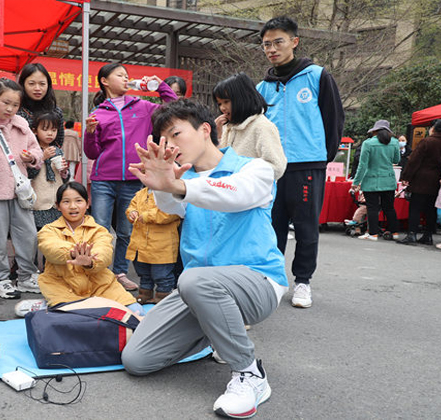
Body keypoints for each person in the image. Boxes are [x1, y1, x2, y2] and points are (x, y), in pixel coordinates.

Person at [122, 100, 288, 419]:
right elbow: (171, 205)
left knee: (194, 279)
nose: (170, 145)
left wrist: (179, 185)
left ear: (205, 129)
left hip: (258, 284)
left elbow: (233, 194)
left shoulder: (255, 169)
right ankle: (216, 334)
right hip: (199, 290)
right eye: (163, 140)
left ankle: (250, 375)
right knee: (137, 360)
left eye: (176, 134)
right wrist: (164, 184)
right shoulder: (186, 183)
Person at [256, 16, 344, 308]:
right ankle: (273, 280)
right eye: (266, 44)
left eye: (278, 41)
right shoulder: (263, 87)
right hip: (271, 167)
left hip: (307, 165)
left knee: (306, 228)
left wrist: (322, 156)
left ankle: (303, 282)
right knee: (272, 226)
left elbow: (333, 119)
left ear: (294, 41)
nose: (272, 49)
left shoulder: (317, 76)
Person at [84, 63, 178, 292]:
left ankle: (119, 272)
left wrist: (161, 86)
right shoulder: (97, 114)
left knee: (127, 230)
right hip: (103, 180)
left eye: (127, 76)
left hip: (135, 178)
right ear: (105, 81)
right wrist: (89, 133)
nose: (126, 79)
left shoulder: (144, 107)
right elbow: (92, 153)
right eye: (120, 75)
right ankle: (100, 273)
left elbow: (175, 108)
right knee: (101, 229)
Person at [14, 181, 141, 317]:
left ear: (87, 204)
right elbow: (51, 249)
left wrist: (90, 262)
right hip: (62, 286)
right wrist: (75, 254)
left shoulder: (100, 230)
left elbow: (105, 253)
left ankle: (52, 307)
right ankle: (47, 306)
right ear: (58, 206)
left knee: (137, 312)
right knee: (76, 319)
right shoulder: (48, 230)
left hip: (100, 286)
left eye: (78, 201)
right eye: (66, 202)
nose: (73, 206)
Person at [0, 78, 43, 299]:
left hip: (19, 188)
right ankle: (2, 279)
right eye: (6, 103)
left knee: (28, 234)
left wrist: (33, 157)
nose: (10, 109)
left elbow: (37, 149)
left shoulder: (21, 123)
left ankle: (26, 276)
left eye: (15, 105)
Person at [213, 72, 287, 180]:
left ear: (243, 98)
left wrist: (244, 175)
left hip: (252, 193)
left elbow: (276, 167)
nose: (222, 108)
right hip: (231, 192)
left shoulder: (262, 127)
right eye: (219, 104)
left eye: (226, 102)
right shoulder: (228, 127)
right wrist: (217, 136)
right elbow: (221, 162)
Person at [399, 119, 441, 245]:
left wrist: (406, 176)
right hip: (438, 180)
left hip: (421, 179)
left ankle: (411, 234)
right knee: (431, 208)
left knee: (415, 207)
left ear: (433, 129)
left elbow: (414, 160)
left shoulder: (427, 141)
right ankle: (428, 235)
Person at [125, 186, 180, 304]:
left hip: (162, 245)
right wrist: (132, 213)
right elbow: (131, 206)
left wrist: (147, 216)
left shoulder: (170, 193)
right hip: (141, 244)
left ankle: (163, 297)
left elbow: (171, 213)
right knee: (144, 273)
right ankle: (145, 294)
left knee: (162, 275)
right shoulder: (140, 193)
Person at [350, 120, 401, 241]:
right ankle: (395, 232)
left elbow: (362, 165)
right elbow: (396, 159)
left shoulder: (368, 143)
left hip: (371, 180)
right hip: (388, 179)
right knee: (389, 207)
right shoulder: (394, 142)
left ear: (375, 131)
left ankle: (373, 234)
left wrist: (356, 182)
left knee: (372, 207)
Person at [28, 111, 69, 233]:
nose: (50, 133)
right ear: (35, 131)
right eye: (45, 129)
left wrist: (64, 171)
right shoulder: (31, 151)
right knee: (34, 238)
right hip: (38, 202)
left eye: (53, 130)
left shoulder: (57, 151)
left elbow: (64, 178)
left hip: (55, 201)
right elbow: (29, 174)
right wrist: (42, 158)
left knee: (53, 239)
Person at [17, 63, 65, 148]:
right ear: (23, 84)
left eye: (42, 84)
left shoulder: (56, 111)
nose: (37, 88)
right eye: (31, 84)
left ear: (48, 85)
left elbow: (58, 142)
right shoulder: (16, 111)